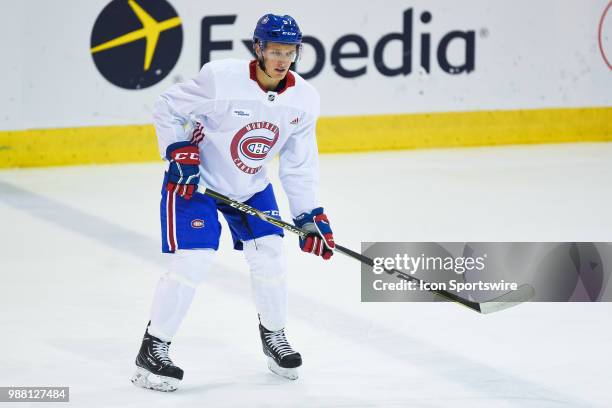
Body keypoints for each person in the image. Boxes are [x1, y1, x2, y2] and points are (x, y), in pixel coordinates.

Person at [130, 14, 335, 392]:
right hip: (199, 183)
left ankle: (274, 337)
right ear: (258, 49)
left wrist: (308, 214)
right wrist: (178, 151)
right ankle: (153, 346)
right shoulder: (221, 78)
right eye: (274, 50)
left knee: (271, 253)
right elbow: (167, 106)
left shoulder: (305, 99)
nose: (282, 59)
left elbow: (298, 162)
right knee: (194, 259)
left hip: (252, 186)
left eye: (289, 52)